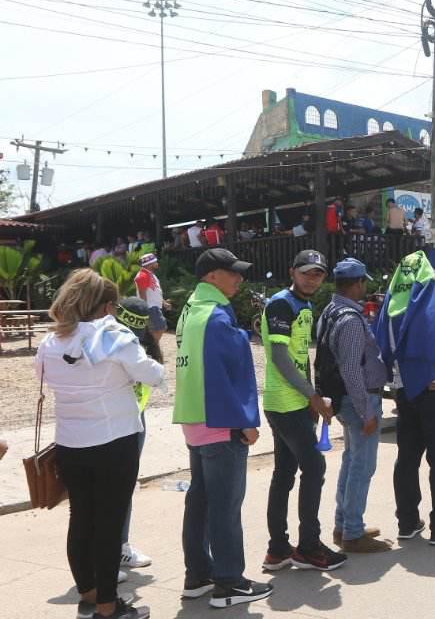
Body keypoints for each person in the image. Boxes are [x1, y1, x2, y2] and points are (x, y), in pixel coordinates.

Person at [38, 270, 164, 619]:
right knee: (109, 525)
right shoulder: (113, 335)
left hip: (69, 443)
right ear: (107, 305)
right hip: (113, 441)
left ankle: (90, 594)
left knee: (81, 519)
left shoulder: (51, 341)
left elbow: (43, 378)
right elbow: (151, 374)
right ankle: (109, 607)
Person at [174, 249, 272, 608]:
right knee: (224, 507)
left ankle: (198, 576)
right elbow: (222, 376)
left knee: (199, 502)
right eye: (232, 273)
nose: (239, 279)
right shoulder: (215, 316)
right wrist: (243, 423)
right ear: (211, 276)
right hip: (220, 423)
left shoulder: (190, 310)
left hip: (194, 421)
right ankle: (230, 582)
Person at [376, 251, 435, 546]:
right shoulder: (424, 303)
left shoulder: (393, 304)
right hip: (433, 392)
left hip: (405, 392)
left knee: (407, 459)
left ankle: (407, 522)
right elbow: (432, 349)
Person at [260, 250, 345, 573]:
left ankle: (278, 549)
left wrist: (312, 394)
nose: (312, 278)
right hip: (284, 402)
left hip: (295, 401)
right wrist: (312, 398)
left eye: (318, 273)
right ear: (292, 271)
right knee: (314, 468)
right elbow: (280, 358)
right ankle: (308, 547)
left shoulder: (305, 305)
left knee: (284, 474)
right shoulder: (282, 304)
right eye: (307, 272)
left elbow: (299, 357)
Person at [314, 259, 393, 553]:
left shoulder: (330, 311)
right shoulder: (348, 319)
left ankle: (344, 524)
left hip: (346, 400)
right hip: (358, 400)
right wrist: (366, 411)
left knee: (351, 462)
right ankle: (352, 533)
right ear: (358, 283)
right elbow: (350, 368)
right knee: (362, 466)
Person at [112, 298, 163, 571]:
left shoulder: (129, 344)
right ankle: (112, 553)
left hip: (133, 421)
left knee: (122, 488)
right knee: (117, 489)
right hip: (118, 424)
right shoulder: (126, 345)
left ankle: (118, 548)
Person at [133, 253, 170, 343]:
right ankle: (152, 347)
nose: (157, 263)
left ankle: (152, 347)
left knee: (157, 328)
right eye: (155, 262)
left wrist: (164, 302)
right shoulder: (143, 276)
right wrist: (144, 309)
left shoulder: (149, 274)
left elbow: (155, 291)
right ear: (149, 264)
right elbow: (142, 293)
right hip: (150, 307)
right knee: (160, 327)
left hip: (153, 306)